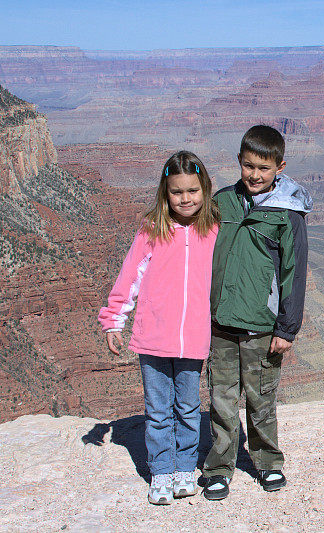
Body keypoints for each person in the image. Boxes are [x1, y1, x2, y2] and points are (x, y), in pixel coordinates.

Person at [98, 151, 219, 505]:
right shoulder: (153, 229)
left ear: (205, 189)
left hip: (194, 338)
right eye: (177, 192)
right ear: (165, 193)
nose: (185, 199)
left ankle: (185, 468)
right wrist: (114, 320)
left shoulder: (213, 229)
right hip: (153, 338)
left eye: (192, 191)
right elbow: (130, 276)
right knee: (158, 409)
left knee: (188, 406)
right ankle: (161, 472)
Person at [201, 125, 312, 500]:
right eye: (249, 166)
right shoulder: (223, 203)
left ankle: (268, 463)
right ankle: (219, 468)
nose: (255, 175)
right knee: (221, 398)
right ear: (239, 162)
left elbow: (294, 272)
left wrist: (287, 328)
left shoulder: (287, 213)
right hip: (221, 324)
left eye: (263, 168)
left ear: (279, 167)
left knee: (262, 399)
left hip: (262, 327)